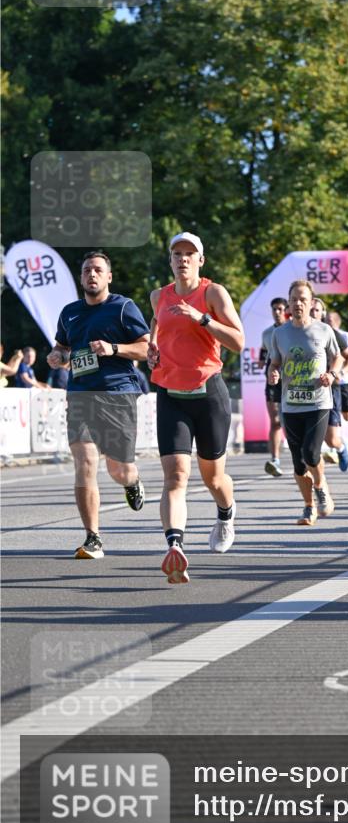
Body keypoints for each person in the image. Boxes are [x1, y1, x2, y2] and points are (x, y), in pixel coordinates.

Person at [148, 232, 244, 584]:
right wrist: (151, 350)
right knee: (175, 476)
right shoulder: (159, 296)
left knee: (213, 478)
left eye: (190, 253)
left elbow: (238, 340)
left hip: (208, 394)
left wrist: (201, 318)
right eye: (177, 253)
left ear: (200, 260)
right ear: (170, 260)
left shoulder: (213, 293)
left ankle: (226, 513)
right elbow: (156, 332)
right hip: (170, 394)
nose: (183, 259)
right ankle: (175, 546)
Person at [46, 251, 150, 559]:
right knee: (85, 463)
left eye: (98, 270)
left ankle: (132, 481)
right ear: (81, 278)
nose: (92, 274)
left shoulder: (122, 308)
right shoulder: (69, 312)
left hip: (118, 394)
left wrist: (113, 348)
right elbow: (63, 347)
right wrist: (58, 356)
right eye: (87, 270)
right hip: (80, 394)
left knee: (119, 469)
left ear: (108, 277)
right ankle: (93, 537)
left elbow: (146, 349)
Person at [268, 280, 342, 524]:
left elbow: (338, 357)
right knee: (299, 464)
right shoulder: (279, 334)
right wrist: (274, 373)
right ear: (289, 303)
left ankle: (321, 488)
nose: (298, 303)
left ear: (311, 303)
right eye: (294, 299)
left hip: (318, 402)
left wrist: (331, 374)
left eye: (303, 299)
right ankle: (308, 506)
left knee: (311, 453)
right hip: (291, 404)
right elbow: (275, 363)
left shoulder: (323, 330)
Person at [311, 298, 348, 471]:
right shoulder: (296, 332)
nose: (313, 313)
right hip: (306, 391)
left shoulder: (330, 332)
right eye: (311, 309)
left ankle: (341, 448)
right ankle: (313, 476)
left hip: (330, 390)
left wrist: (338, 373)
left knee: (332, 439)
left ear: (323, 313)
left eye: (316, 310)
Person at [260, 296, 289, 477]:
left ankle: (301, 456)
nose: (277, 313)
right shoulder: (266, 333)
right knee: (275, 421)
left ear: (286, 311)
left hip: (292, 379)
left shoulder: (292, 330)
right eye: (274, 309)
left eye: (280, 309)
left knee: (290, 420)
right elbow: (263, 356)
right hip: (272, 378)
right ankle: (275, 459)